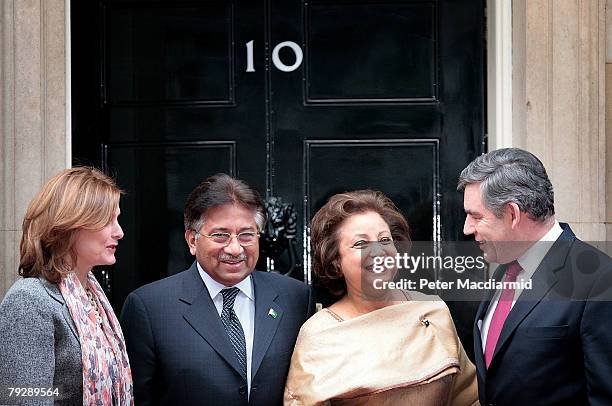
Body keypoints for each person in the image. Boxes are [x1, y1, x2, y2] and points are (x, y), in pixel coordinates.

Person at [120, 173, 313, 406]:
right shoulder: (150, 307)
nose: (235, 248)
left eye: (246, 235)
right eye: (220, 235)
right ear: (192, 240)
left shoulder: (295, 298)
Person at [284, 190, 478, 405]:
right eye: (360, 244)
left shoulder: (431, 309)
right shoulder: (318, 335)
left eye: (385, 240)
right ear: (335, 261)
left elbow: (468, 397)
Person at [458, 147, 612, 405]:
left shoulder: (600, 280)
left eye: (475, 216)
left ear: (513, 214)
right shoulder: (503, 272)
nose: (466, 228)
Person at [0, 167, 133, 405]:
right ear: (70, 225)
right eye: (107, 220)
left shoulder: (92, 295)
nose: (120, 232)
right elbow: (23, 396)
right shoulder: (30, 300)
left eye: (118, 219)